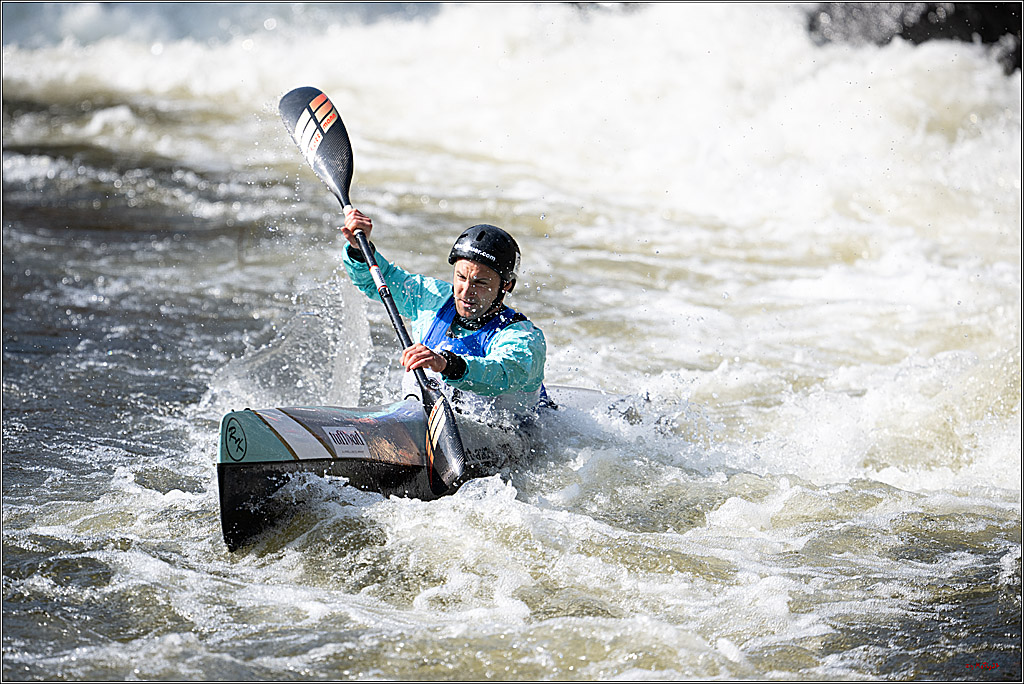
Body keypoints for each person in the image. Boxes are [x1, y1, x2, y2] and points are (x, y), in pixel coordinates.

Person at [340, 207, 547, 418]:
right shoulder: (431, 298)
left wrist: (446, 364)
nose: (466, 292)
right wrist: (359, 248)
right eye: (461, 277)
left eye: (481, 282)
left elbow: (502, 372)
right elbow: (378, 279)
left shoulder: (524, 338)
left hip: (518, 441)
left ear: (507, 286)